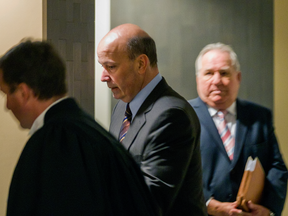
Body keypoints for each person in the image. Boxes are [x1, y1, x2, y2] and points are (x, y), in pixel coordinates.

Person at [0, 40, 159, 216]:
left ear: (24, 92)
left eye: (6, 93)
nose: (7, 105)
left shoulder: (59, 141)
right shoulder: (87, 130)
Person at [97, 23, 207, 216]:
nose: (103, 77)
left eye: (111, 67)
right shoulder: (122, 106)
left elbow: (149, 201)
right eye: (102, 67)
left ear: (141, 64)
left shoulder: (172, 116)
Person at [188, 42, 288, 216]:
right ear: (198, 79)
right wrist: (211, 205)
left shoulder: (260, 117)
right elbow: (176, 172)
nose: (217, 80)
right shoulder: (181, 117)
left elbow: (276, 167)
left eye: (224, 73)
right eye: (209, 73)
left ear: (238, 77)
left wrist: (268, 210)